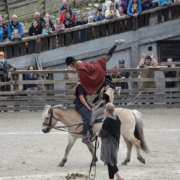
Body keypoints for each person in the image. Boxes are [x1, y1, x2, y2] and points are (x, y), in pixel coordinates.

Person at [94, 103, 124, 180]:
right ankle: (119, 177)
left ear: (106, 110)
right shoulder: (116, 117)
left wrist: (97, 134)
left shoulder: (107, 120)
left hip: (108, 143)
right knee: (112, 161)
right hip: (115, 141)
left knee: (110, 163)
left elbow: (103, 132)